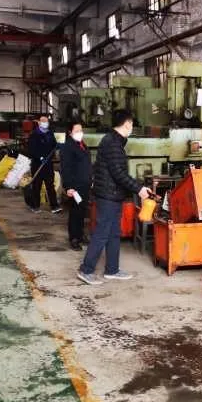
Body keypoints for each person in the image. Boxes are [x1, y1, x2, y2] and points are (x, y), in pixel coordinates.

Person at [77, 109, 150, 285]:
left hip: (113, 195)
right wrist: (139, 189)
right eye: (131, 123)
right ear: (127, 124)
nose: (132, 127)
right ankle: (86, 270)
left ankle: (112, 269)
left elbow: (117, 173)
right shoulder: (112, 143)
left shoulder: (114, 141)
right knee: (102, 233)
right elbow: (118, 173)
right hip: (108, 196)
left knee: (114, 233)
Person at [60, 120, 92, 251]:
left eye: (81, 130)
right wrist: (68, 186)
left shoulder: (82, 144)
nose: (80, 132)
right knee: (75, 212)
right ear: (70, 132)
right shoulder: (68, 147)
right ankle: (74, 238)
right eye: (77, 131)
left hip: (84, 184)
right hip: (75, 185)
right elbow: (65, 168)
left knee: (82, 211)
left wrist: (90, 179)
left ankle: (80, 234)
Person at [27, 115, 61, 214]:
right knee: (37, 185)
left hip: (48, 164)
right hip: (37, 165)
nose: (46, 123)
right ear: (39, 123)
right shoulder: (34, 134)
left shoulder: (50, 133)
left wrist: (57, 146)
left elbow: (54, 145)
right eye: (43, 122)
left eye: (47, 122)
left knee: (50, 185)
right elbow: (31, 149)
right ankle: (35, 206)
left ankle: (54, 206)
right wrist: (39, 157)